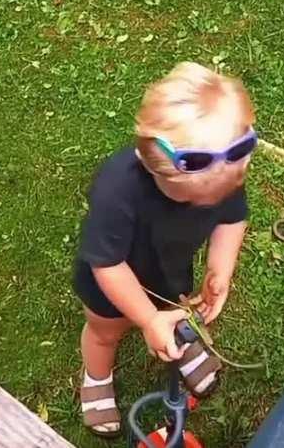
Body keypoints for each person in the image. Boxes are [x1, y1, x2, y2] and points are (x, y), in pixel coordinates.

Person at [74, 62, 257, 437]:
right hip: (112, 282)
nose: (207, 206)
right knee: (104, 332)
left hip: (171, 272)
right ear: (153, 167)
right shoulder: (117, 190)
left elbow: (232, 219)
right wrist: (147, 319)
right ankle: (96, 376)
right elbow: (107, 264)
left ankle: (178, 341)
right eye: (196, 200)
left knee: (176, 312)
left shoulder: (223, 172)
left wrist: (219, 270)